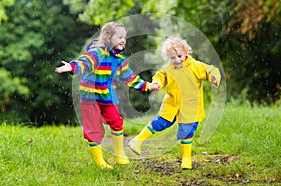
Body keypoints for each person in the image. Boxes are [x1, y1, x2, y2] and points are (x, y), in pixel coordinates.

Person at [55, 21, 158, 169]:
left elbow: (130, 78)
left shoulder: (120, 60)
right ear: (108, 38)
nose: (123, 40)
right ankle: (100, 162)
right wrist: (71, 66)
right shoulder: (97, 53)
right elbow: (84, 62)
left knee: (116, 121)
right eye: (120, 37)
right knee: (94, 128)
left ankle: (119, 153)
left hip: (107, 96)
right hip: (90, 97)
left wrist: (147, 85)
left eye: (125, 37)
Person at [128, 36, 221, 169]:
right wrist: (156, 83)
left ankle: (186, 158)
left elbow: (211, 70)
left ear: (186, 53)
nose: (177, 60)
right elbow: (160, 76)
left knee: (186, 130)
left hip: (190, 106)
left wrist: (214, 77)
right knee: (161, 123)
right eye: (172, 58)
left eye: (179, 56)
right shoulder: (167, 69)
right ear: (168, 58)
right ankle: (137, 140)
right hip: (172, 104)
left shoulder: (196, 66)